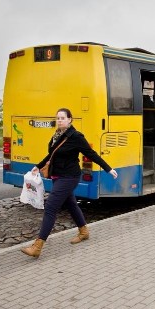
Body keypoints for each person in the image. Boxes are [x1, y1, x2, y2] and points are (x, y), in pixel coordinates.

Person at [21, 108, 118, 258]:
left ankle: (37, 247)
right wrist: (38, 166)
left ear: (70, 120)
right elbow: (51, 154)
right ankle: (84, 231)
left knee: (51, 207)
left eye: (63, 118)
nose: (59, 120)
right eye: (58, 118)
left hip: (69, 176)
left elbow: (90, 153)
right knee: (71, 204)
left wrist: (108, 168)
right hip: (58, 176)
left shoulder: (76, 136)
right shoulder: (57, 135)